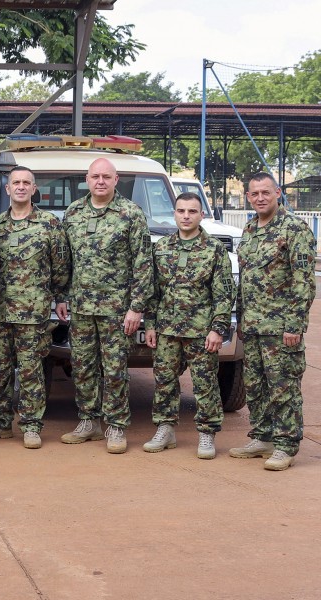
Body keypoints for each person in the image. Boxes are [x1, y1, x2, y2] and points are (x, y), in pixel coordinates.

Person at [58, 157, 153, 454]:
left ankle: (116, 425)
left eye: (106, 177)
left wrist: (137, 307)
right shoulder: (73, 212)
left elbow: (143, 263)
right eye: (95, 176)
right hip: (82, 307)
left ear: (116, 180)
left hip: (117, 308)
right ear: (87, 179)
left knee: (114, 370)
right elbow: (65, 260)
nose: (100, 181)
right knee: (83, 367)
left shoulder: (131, 214)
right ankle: (89, 421)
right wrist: (61, 295)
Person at [229, 173, 316, 471]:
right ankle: (263, 436)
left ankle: (286, 444)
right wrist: (240, 317)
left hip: (281, 328)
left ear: (278, 193)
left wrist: (295, 324)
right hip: (253, 326)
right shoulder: (251, 228)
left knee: (283, 386)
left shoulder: (294, 229)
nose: (260, 198)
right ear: (249, 197)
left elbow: (303, 281)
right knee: (256, 386)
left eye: (266, 192)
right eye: (255, 194)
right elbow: (247, 279)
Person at [0, 166, 70, 450]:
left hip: (33, 313)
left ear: (34, 189)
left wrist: (59, 298)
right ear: (7, 189)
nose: (20, 187)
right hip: (0, 312)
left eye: (26, 183)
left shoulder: (49, 224)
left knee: (32, 370)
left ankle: (31, 425)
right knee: (0, 368)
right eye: (15, 183)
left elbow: (60, 266)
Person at [142, 193, 234, 459]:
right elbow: (153, 292)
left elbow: (223, 294)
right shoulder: (162, 248)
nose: (186, 216)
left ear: (201, 215)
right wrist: (150, 324)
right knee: (164, 382)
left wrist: (218, 329)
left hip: (201, 331)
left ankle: (207, 434)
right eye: (181, 211)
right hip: (167, 330)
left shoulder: (214, 249)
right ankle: (165, 428)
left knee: (205, 384)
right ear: (174, 213)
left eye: (192, 211)